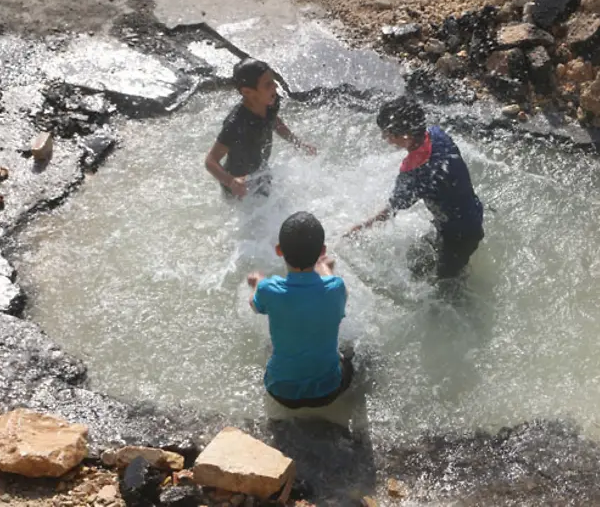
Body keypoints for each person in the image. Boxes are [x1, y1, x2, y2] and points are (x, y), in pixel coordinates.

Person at [348, 97, 484, 279]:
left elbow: (391, 210)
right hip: (470, 213)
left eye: (387, 134)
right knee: (418, 258)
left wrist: (361, 227)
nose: (385, 138)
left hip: (458, 234)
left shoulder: (415, 170)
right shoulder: (437, 134)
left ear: (406, 136)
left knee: (444, 285)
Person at [247, 211, 353, 409]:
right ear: (322, 250)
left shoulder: (268, 289)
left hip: (280, 392)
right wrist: (325, 268)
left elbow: (254, 305)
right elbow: (345, 293)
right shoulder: (336, 288)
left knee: (272, 344)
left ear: (279, 250)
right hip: (327, 393)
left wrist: (256, 282)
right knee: (352, 350)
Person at [204, 58, 316, 200]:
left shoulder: (270, 102)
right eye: (268, 84)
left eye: (273, 81)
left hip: (261, 172)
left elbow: (274, 121)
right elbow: (211, 161)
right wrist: (231, 182)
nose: (275, 86)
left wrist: (297, 142)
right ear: (248, 92)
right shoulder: (236, 124)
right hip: (239, 186)